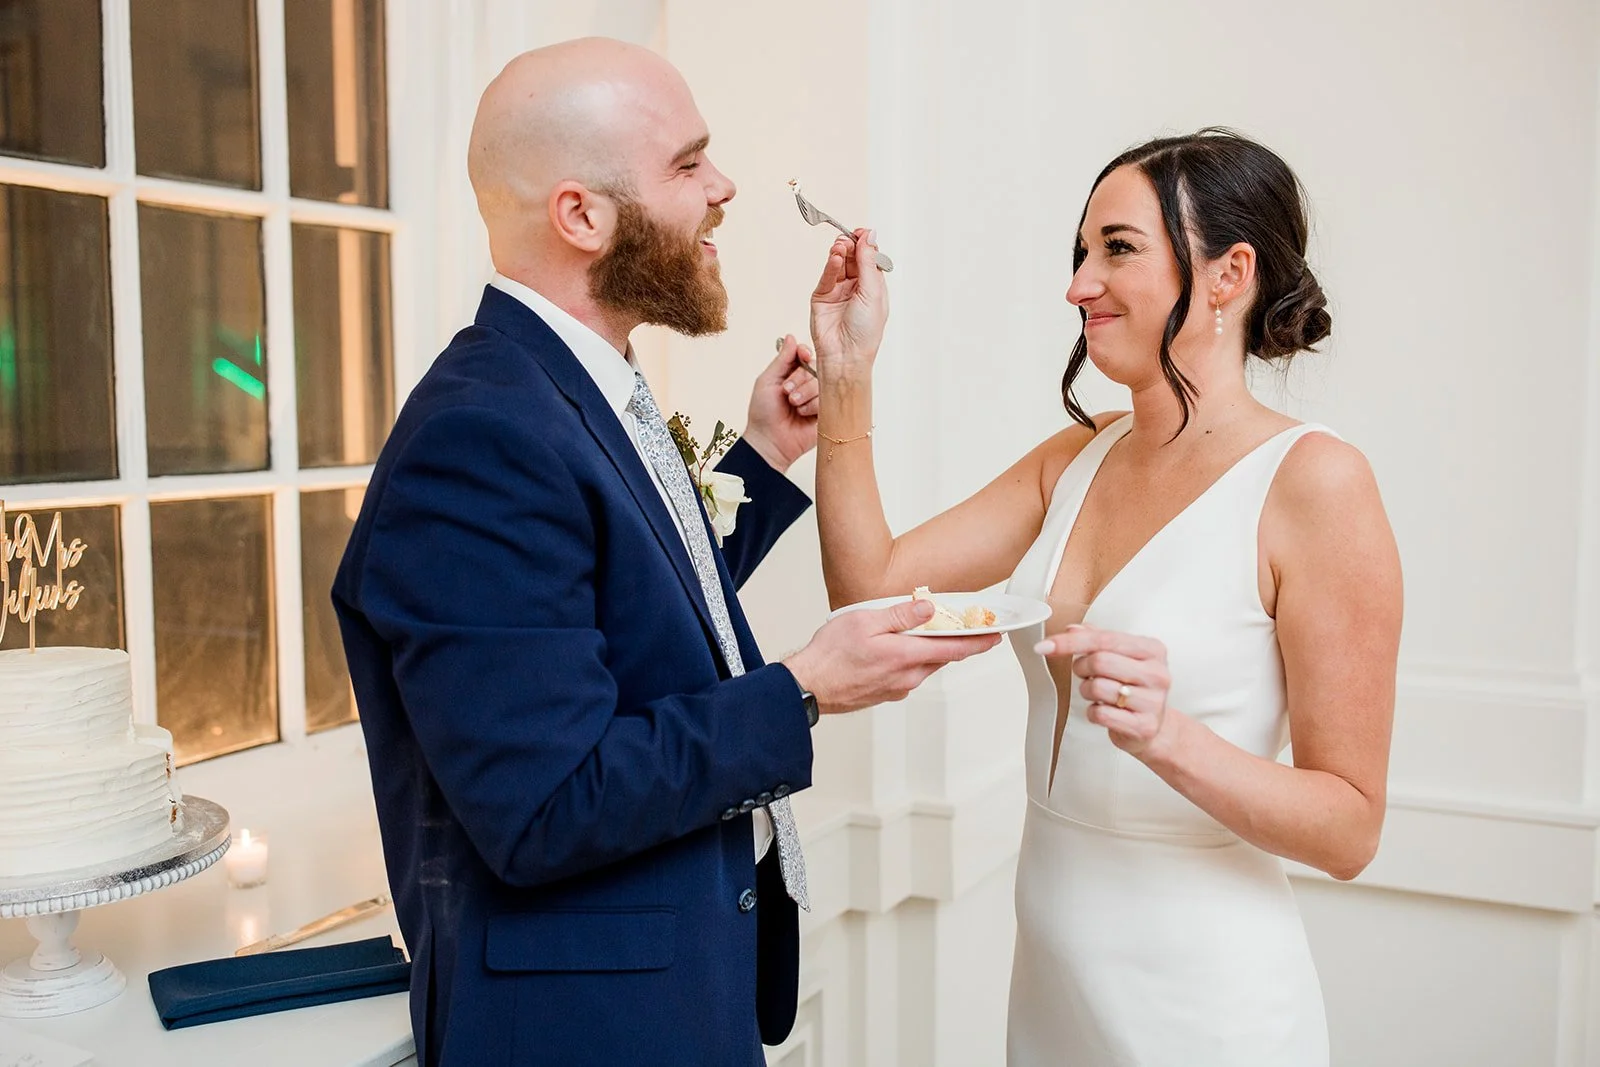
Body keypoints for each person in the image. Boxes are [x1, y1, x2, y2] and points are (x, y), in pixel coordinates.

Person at [331, 37, 998, 1067]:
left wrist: (764, 454)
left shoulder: (569, 383)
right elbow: (545, 803)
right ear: (582, 216)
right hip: (584, 1032)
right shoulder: (478, 437)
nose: (724, 186)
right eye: (688, 164)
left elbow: (622, 609)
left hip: (675, 990)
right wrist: (805, 689)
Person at [808, 129, 1402, 1065]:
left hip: (1207, 1010)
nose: (1080, 284)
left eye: (1117, 248)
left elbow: (1350, 828)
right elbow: (869, 584)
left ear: (1229, 273)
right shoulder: (1076, 458)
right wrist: (847, 373)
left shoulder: (1316, 483)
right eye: (1081, 251)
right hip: (1052, 992)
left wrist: (1170, 738)